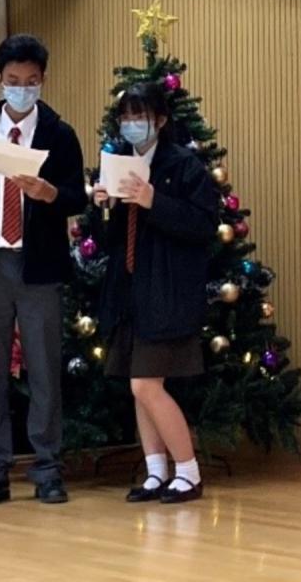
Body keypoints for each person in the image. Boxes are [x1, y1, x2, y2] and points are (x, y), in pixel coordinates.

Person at [0, 34, 88, 507]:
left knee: (44, 370)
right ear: (0, 80)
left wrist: (49, 194)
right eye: (13, 81)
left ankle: (47, 468)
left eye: (31, 81)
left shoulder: (59, 135)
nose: (22, 89)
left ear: (42, 80)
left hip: (38, 267)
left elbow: (77, 196)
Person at [93, 82, 220, 505]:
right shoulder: (118, 162)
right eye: (126, 117)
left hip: (166, 290)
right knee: (138, 383)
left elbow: (204, 225)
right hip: (128, 289)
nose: (132, 124)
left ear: (160, 120)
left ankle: (188, 471)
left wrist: (154, 201)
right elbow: (111, 240)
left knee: (146, 384)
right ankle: (155, 471)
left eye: (140, 116)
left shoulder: (183, 165)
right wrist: (105, 206)